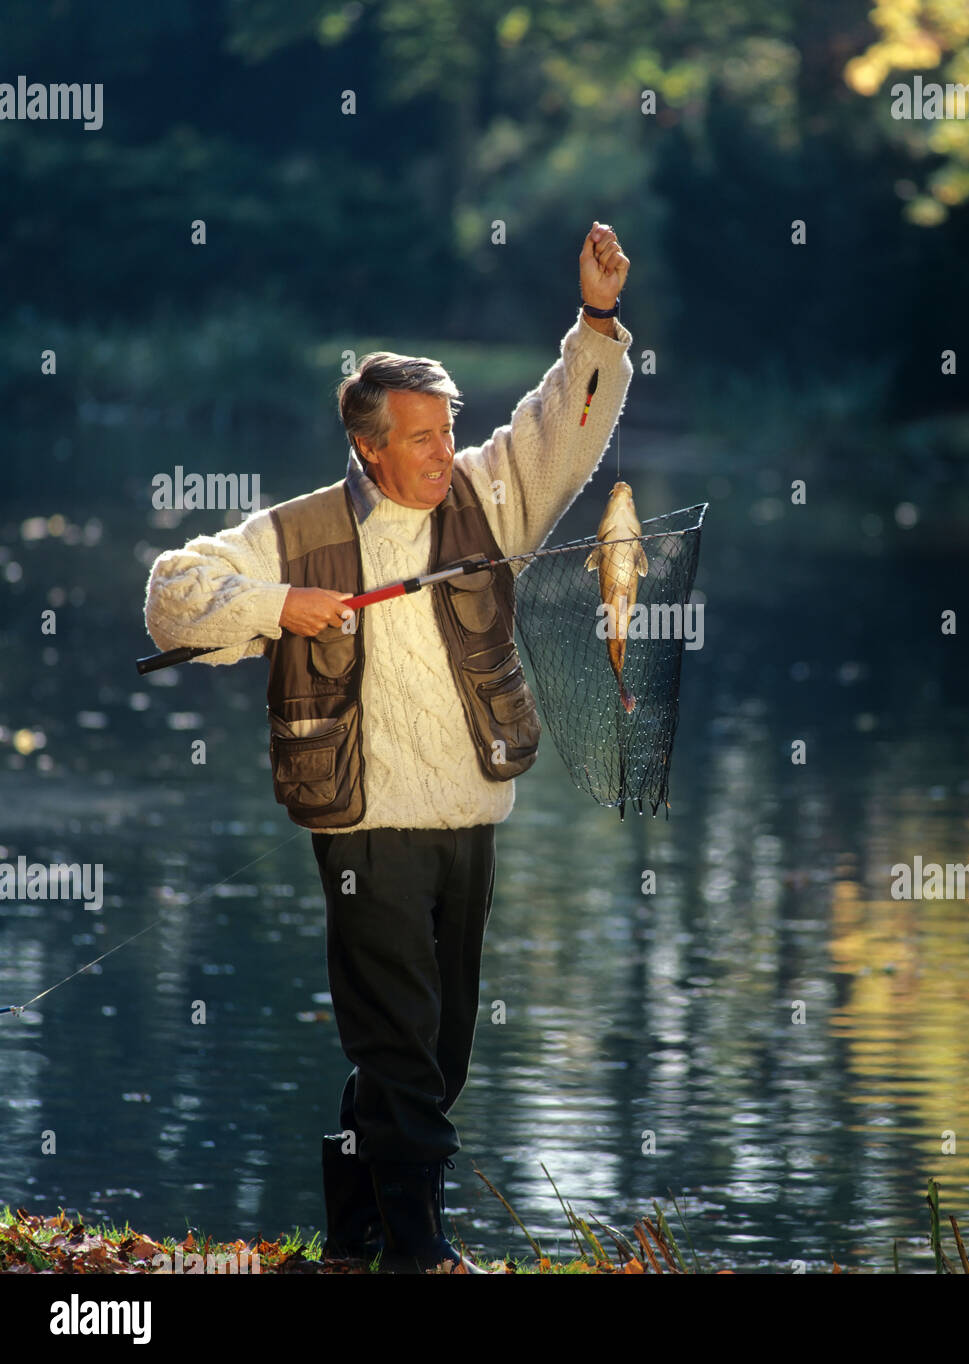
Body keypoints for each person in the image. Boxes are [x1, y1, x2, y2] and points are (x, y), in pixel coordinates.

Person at [143, 222, 632, 1272]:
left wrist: (594, 322)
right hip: (366, 825)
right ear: (368, 445)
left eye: (447, 431)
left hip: (469, 819)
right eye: (419, 438)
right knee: (400, 1046)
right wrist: (282, 602)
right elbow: (172, 601)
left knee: (431, 1052)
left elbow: (566, 425)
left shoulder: (490, 497)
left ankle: (356, 1232)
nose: (441, 453)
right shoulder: (301, 528)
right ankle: (417, 1253)